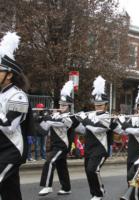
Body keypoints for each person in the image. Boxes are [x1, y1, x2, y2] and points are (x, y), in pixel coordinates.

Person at [76, 75, 121, 200]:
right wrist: (75, 122)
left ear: (106, 105)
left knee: (93, 170)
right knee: (88, 171)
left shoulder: (107, 116)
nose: (98, 107)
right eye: (96, 105)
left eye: (101, 105)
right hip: (89, 148)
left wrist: (84, 119)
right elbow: (83, 130)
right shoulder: (90, 116)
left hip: (101, 149)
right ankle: (94, 194)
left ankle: (99, 193)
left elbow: (97, 128)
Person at [0, 32, 32, 200]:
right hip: (1, 148)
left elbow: (8, 125)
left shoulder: (18, 96)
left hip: (12, 149)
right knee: (10, 192)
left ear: (9, 74)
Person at [38, 80, 79, 196]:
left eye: (64, 105)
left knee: (50, 161)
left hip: (62, 145)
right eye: (60, 104)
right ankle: (66, 188)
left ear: (69, 106)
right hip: (54, 145)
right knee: (62, 166)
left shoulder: (71, 117)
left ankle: (47, 186)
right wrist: (40, 118)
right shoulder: (55, 115)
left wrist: (48, 118)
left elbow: (60, 123)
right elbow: (44, 128)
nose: (62, 106)